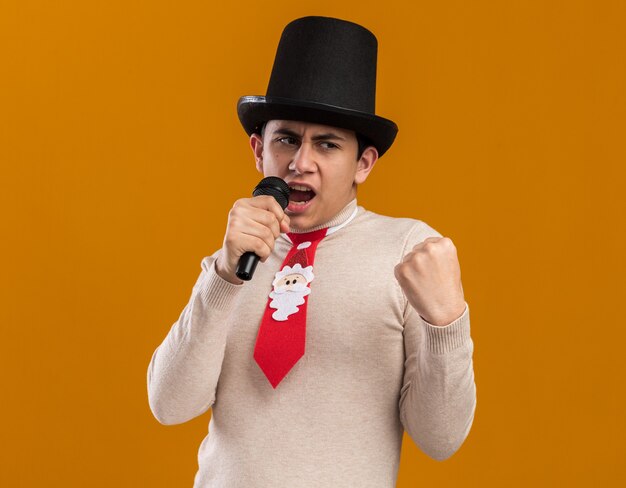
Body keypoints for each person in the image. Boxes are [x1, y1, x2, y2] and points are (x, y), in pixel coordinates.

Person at [147, 16, 476, 487]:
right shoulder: (233, 257)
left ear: (363, 163)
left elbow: (440, 439)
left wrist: (446, 324)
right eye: (286, 139)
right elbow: (169, 405)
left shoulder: (409, 254)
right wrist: (222, 275)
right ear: (258, 150)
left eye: (327, 144)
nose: (301, 163)